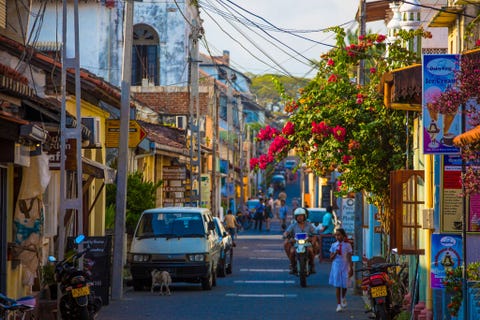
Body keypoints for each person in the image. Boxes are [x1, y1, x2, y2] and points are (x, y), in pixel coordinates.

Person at [283, 208, 316, 274]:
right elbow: (286, 232)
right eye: (298, 216)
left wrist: (312, 240)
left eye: (301, 216)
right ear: (295, 217)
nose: (300, 217)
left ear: (304, 216)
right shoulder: (293, 225)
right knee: (292, 252)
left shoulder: (309, 225)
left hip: (307, 243)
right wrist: (285, 235)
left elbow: (314, 233)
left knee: (310, 251)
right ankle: (292, 266)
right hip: (296, 244)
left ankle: (312, 265)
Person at [329, 228, 353, 312]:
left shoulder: (347, 245)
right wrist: (335, 253)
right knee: (337, 285)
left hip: (345, 266)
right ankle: (338, 304)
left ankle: (343, 297)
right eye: (336, 235)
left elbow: (350, 257)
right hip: (336, 266)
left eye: (339, 235)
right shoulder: (333, 245)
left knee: (345, 284)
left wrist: (351, 268)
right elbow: (331, 258)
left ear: (343, 235)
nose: (337, 237)